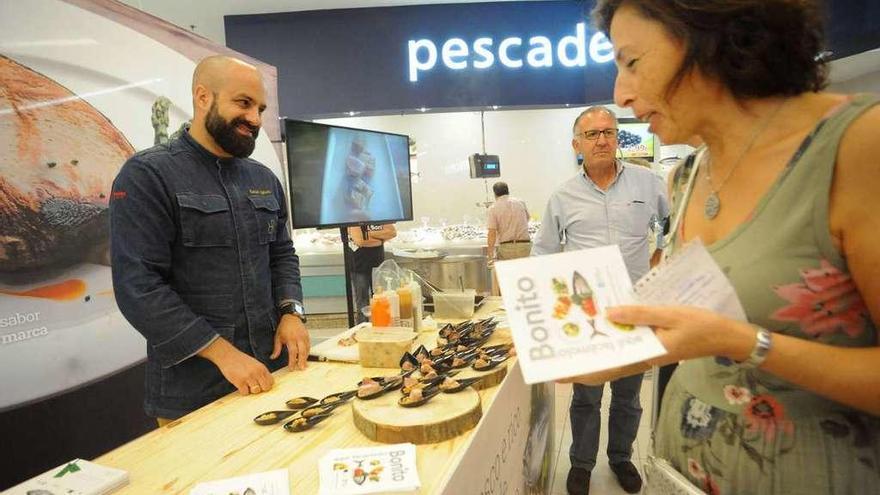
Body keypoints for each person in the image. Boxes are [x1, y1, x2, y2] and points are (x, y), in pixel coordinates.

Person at [563, 1, 880, 493]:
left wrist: (741, 341)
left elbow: (722, 336)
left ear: (714, 35)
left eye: (631, 61)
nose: (621, 93)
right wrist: (616, 350)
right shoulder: (687, 175)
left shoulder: (861, 145)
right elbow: (693, 329)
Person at [110, 56, 309, 424]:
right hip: (193, 392)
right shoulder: (147, 176)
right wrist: (224, 355)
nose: (255, 118)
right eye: (243, 103)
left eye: (260, 108)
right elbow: (139, 287)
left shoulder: (262, 177)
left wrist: (291, 312)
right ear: (203, 97)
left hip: (273, 370)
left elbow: (282, 254)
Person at [532, 105, 669, 495]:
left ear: (618, 138)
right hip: (588, 313)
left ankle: (621, 457)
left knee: (628, 396)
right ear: (577, 144)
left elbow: (674, 226)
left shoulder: (648, 183)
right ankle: (581, 463)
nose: (602, 140)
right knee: (585, 397)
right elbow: (542, 252)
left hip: (635, 307)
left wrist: (660, 258)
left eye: (608, 132)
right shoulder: (563, 196)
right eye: (592, 134)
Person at [486, 181, 531, 293]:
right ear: (508, 191)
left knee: (510, 281)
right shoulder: (521, 203)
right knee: (526, 279)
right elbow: (528, 218)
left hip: (507, 249)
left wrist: (490, 254)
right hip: (525, 246)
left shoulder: (493, 208)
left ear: (495, 194)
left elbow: (492, 233)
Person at [347, 223, 397, 323]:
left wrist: (368, 235)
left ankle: (380, 325)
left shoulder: (378, 217)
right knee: (362, 302)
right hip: (359, 266)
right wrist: (380, 239)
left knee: (381, 300)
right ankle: (361, 328)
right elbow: (359, 240)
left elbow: (392, 232)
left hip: (378, 265)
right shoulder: (353, 219)